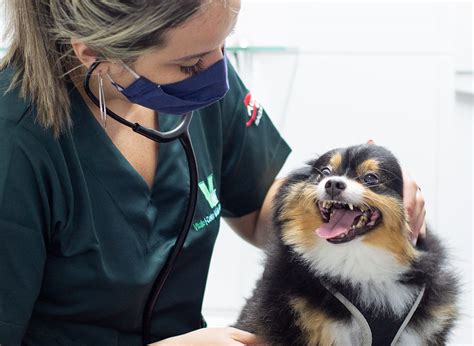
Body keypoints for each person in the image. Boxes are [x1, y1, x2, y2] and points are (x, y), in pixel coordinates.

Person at [0, 0, 426, 345]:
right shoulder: (15, 145)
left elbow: (261, 210)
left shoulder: (195, 71)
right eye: (191, 65)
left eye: (224, 47)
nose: (217, 79)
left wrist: (347, 206)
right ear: (94, 51)